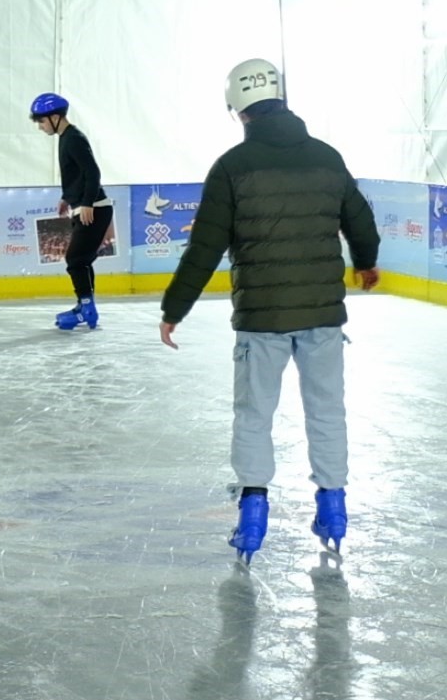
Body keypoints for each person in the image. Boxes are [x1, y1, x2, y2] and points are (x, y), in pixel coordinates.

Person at [158, 58, 381, 563]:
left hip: (261, 321)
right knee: (327, 412)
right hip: (323, 317)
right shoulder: (327, 157)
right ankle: (333, 507)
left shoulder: (231, 169)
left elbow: (205, 249)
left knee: (254, 415)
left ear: (238, 109)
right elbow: (361, 221)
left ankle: (253, 516)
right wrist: (365, 264)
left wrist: (175, 308)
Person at [30, 92, 112, 330]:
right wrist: (68, 198)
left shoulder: (74, 138)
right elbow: (76, 173)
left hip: (94, 208)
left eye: (42, 122)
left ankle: (86, 309)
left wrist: (86, 202)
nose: (40, 127)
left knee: (75, 259)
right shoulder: (65, 138)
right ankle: (85, 307)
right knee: (81, 260)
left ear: (55, 117)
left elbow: (92, 172)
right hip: (85, 207)